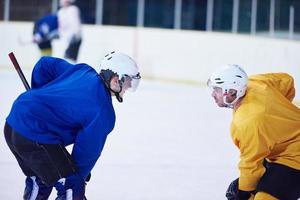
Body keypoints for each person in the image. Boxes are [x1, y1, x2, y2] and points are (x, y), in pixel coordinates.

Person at [4, 51, 141, 199]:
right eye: (128, 81)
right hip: (35, 135)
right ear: (115, 79)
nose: (128, 87)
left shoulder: (83, 71)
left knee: (41, 178)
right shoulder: (102, 112)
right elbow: (85, 156)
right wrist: (78, 176)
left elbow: (44, 65)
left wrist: (40, 95)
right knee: (72, 188)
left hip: (14, 122)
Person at [207, 64, 300, 200]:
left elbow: (251, 164)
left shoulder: (248, 122)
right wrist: (279, 114)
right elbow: (286, 80)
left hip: (294, 160)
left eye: (217, 89)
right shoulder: (256, 83)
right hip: (284, 154)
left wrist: (243, 192)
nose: (213, 94)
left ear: (232, 91)